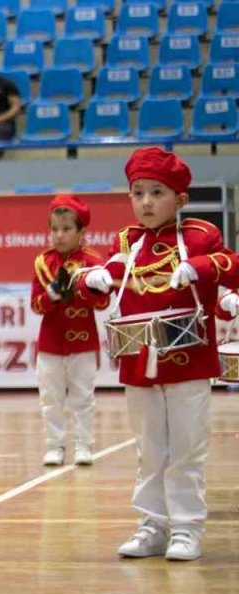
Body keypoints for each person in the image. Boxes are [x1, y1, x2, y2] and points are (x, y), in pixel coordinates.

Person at [77, 148, 239, 562]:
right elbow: (110, 276)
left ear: (180, 199)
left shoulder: (201, 235)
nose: (146, 202)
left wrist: (200, 267)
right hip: (139, 361)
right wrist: (93, 279)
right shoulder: (127, 240)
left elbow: (230, 264)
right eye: (138, 193)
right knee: (149, 449)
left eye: (157, 193)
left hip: (187, 362)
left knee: (187, 447)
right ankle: (152, 525)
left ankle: (186, 528)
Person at [30, 195, 108, 468]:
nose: (59, 236)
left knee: (83, 397)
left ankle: (84, 446)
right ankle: (55, 445)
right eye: (54, 229)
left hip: (83, 341)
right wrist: (50, 296)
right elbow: (36, 305)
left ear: (82, 232)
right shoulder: (43, 262)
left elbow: (102, 303)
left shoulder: (93, 261)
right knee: (50, 398)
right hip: (50, 343)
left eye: (66, 229)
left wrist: (93, 287)